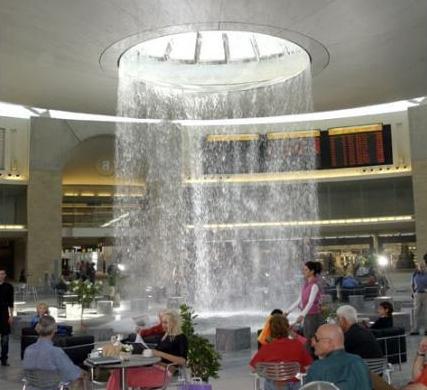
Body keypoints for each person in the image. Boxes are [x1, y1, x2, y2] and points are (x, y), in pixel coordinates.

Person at [107, 310, 188, 390]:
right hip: (153, 368)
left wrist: (159, 353)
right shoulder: (165, 335)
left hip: (163, 374)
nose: (163, 325)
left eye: (166, 322)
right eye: (162, 322)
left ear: (174, 322)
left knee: (118, 375)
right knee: (117, 372)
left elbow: (182, 361)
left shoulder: (181, 338)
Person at [249, 314, 312, 390]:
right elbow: (308, 367)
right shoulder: (297, 344)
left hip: (274, 386)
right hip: (295, 386)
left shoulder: (266, 348)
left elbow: (253, 368)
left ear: (270, 330)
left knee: (269, 380)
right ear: (287, 329)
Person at [22, 315, 86, 386]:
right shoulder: (56, 352)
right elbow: (72, 373)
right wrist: (83, 372)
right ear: (55, 330)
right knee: (81, 377)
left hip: (32, 387)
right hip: (52, 387)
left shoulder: (28, 350)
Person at [305, 324, 372, 390]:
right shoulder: (359, 361)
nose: (312, 344)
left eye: (316, 339)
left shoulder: (318, 367)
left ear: (328, 342)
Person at [285, 261, 323, 340]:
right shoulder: (306, 284)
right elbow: (299, 300)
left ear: (312, 271)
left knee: (310, 338)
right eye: (303, 269)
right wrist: (287, 312)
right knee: (307, 337)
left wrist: (302, 315)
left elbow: (310, 302)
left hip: (313, 316)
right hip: (307, 316)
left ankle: (310, 352)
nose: (303, 271)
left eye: (306, 270)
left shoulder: (314, 285)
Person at [0, 267, 13, 367]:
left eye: (2, 274)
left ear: (5, 275)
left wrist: (11, 316)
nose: (1, 275)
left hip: (4, 314)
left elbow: (11, 303)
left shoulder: (9, 287)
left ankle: (4, 359)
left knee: (5, 338)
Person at [411, 256, 427, 335]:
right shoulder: (414, 274)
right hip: (417, 294)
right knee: (416, 312)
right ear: (418, 267)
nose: (422, 268)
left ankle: (426, 329)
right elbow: (412, 284)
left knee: (425, 312)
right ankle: (415, 329)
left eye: (423, 266)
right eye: (420, 266)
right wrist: (413, 293)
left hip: (426, 294)